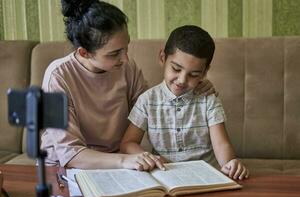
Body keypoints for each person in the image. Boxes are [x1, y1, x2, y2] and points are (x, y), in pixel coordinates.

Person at [41, 0, 215, 169]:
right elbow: (70, 154)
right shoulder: (58, 77)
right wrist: (125, 160)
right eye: (115, 53)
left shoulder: (126, 67)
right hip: (64, 169)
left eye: (126, 47)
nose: (124, 58)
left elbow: (153, 108)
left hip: (119, 164)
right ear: (84, 53)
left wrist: (194, 89)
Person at [120, 25, 249, 180]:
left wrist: (230, 163)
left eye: (194, 74)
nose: (182, 80)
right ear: (162, 58)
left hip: (205, 176)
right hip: (165, 175)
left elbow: (221, 144)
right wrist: (147, 157)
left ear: (205, 72)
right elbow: (128, 143)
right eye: (176, 69)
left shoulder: (208, 99)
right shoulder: (147, 100)